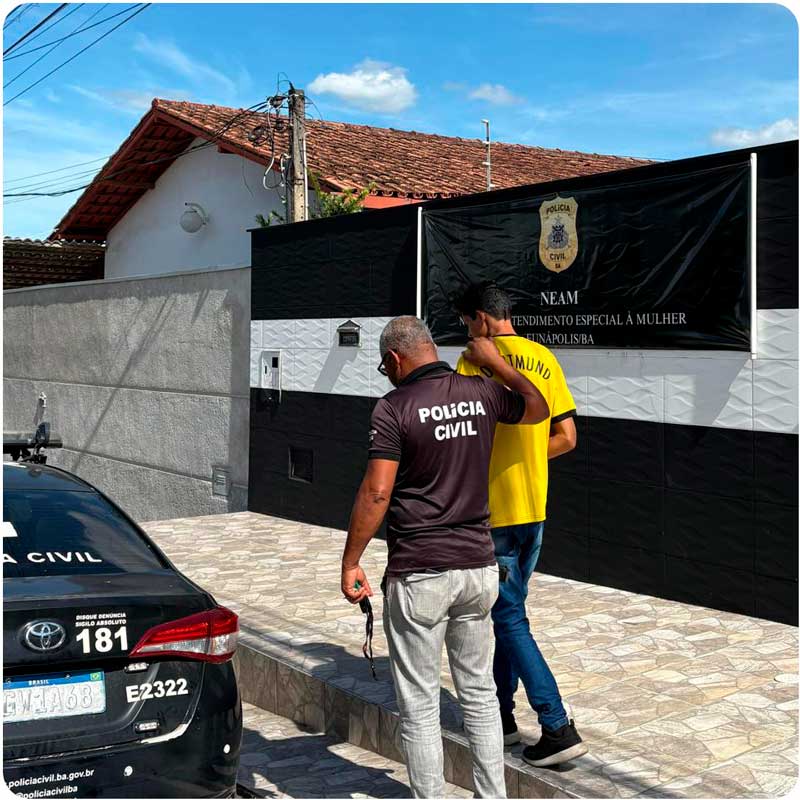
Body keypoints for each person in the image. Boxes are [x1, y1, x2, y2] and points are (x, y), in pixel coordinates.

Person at [340, 316, 550, 799]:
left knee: (419, 707)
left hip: (420, 573)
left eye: (385, 368)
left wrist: (351, 561)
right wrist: (499, 366)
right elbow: (538, 409)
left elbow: (377, 492)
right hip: (478, 568)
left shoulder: (393, 408)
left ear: (394, 359)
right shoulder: (483, 392)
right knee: (479, 696)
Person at [454, 282, 588, 768]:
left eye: (467, 323)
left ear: (481, 318)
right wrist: (528, 456)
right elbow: (567, 437)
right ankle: (503, 716)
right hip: (535, 508)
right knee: (507, 615)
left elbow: (462, 434)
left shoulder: (474, 361)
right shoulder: (545, 358)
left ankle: (556, 725)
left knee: (508, 618)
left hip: (495, 512)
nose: (467, 333)